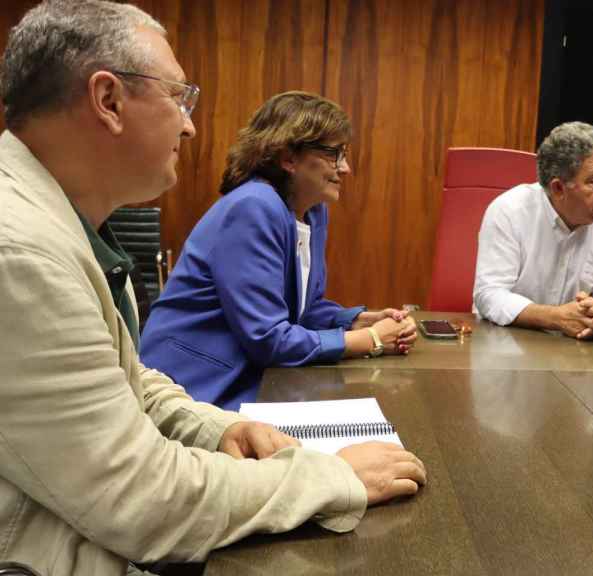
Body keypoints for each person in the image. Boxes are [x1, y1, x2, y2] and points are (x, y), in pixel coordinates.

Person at [0, 2, 425, 573]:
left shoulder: (63, 222)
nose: (190, 123)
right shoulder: (21, 254)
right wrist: (333, 476)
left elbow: (128, 383)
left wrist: (216, 427)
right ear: (108, 100)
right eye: (178, 97)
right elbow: (145, 502)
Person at [140, 91, 416, 411]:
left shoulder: (312, 211)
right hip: (193, 390)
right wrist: (372, 340)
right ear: (288, 159)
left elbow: (302, 310)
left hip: (251, 381)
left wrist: (358, 321)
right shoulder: (254, 206)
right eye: (334, 154)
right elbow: (268, 339)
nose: (346, 168)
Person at [472, 121, 593, 339]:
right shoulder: (509, 211)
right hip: (508, 342)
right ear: (558, 188)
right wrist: (557, 318)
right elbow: (489, 294)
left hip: (579, 350)